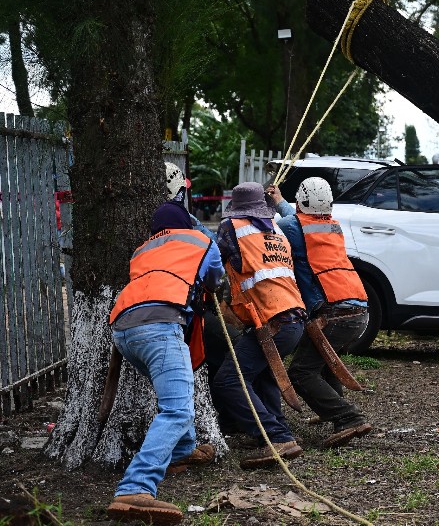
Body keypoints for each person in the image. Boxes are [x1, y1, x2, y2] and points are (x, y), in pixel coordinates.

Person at [106, 200, 224, 524]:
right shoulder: (199, 240)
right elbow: (216, 278)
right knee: (177, 409)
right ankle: (135, 487)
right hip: (160, 326)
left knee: (177, 394)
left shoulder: (141, 250)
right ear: (186, 223)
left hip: (123, 331)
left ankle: (183, 450)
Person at [269, 178, 372, 448]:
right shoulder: (332, 226)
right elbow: (298, 219)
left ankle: (348, 417)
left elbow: (279, 228)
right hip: (358, 309)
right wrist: (279, 201)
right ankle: (333, 410)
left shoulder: (292, 227)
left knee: (301, 372)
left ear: (300, 202)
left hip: (334, 313)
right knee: (325, 361)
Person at [211, 181, 306, 469]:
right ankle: (278, 430)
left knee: (229, 380)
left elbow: (212, 262)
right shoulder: (276, 230)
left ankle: (275, 436)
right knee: (263, 376)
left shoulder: (232, 227)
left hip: (272, 321)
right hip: (293, 319)